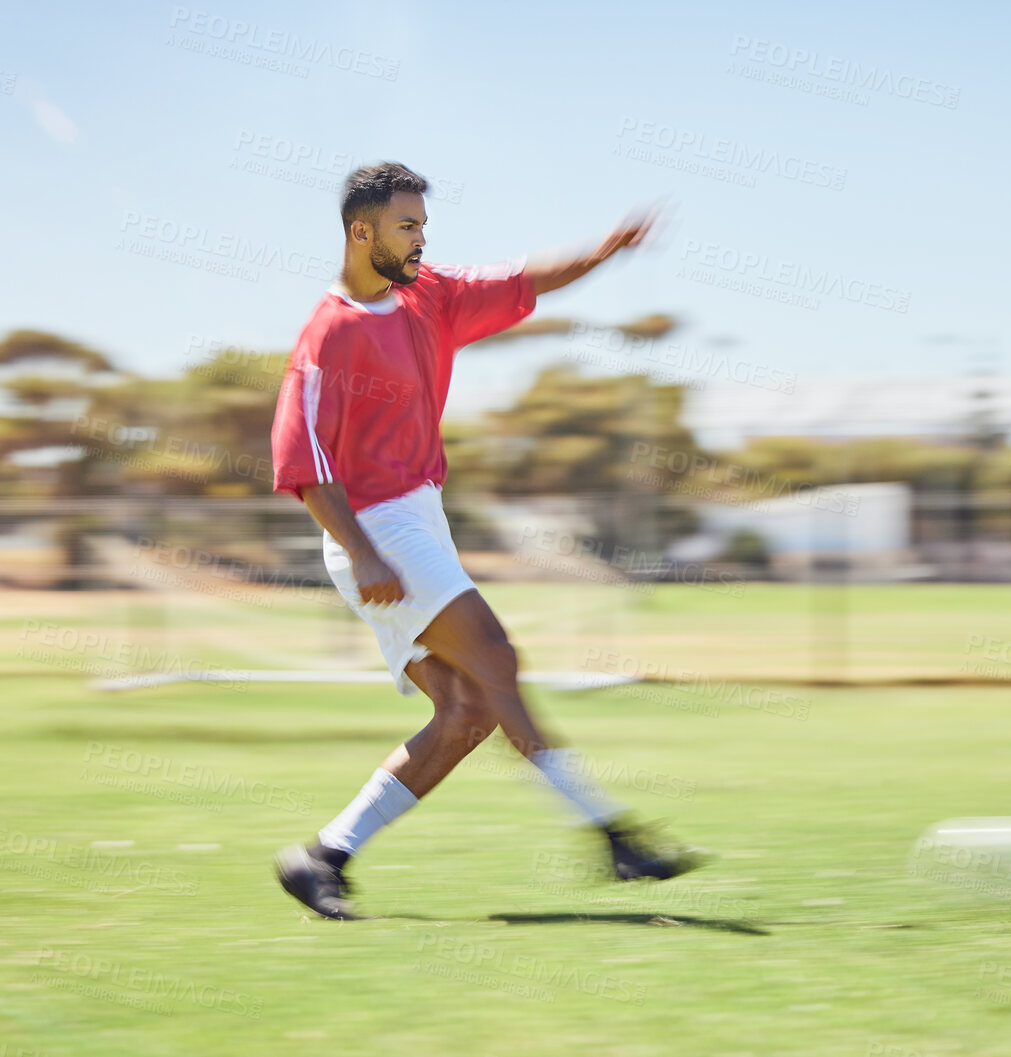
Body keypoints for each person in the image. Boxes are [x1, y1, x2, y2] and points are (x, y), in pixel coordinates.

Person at [269, 162, 700, 920]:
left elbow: (526, 277)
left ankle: (323, 857)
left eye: (424, 227)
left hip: (417, 521)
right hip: (375, 530)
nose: (420, 240)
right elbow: (303, 465)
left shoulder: (430, 294)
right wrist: (364, 551)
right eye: (407, 226)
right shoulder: (326, 334)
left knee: (466, 712)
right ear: (359, 232)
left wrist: (602, 251)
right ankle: (612, 834)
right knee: (496, 659)